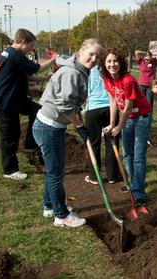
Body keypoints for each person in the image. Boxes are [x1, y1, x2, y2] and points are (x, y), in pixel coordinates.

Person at [33, 38, 102, 227]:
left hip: (51, 125)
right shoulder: (72, 72)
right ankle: (61, 215)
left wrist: (78, 120)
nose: (94, 59)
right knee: (56, 173)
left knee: (53, 171)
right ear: (81, 52)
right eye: (91, 54)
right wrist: (79, 125)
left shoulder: (80, 71)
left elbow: (72, 102)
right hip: (49, 126)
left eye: (97, 56)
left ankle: (50, 206)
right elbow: (64, 106)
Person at [0, 29, 57, 180]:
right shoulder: (14, 55)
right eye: (31, 46)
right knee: (9, 136)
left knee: (37, 110)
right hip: (5, 101)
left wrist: (46, 78)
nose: (30, 50)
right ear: (24, 42)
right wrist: (54, 60)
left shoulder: (8, 52)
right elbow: (38, 68)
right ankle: (10, 170)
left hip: (15, 99)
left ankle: (29, 144)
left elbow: (27, 76)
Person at [102, 48, 153, 208]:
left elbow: (128, 106)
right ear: (104, 63)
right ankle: (131, 183)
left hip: (140, 118)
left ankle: (139, 192)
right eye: (109, 61)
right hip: (128, 118)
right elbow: (113, 101)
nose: (112, 64)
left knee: (138, 156)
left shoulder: (128, 80)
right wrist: (112, 123)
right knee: (127, 154)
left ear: (121, 62)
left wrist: (119, 126)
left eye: (115, 61)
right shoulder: (107, 79)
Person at [84, 65, 119, 185]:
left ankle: (94, 176)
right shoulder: (110, 69)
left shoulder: (86, 69)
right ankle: (112, 175)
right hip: (111, 108)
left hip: (93, 108)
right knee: (112, 142)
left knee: (94, 143)